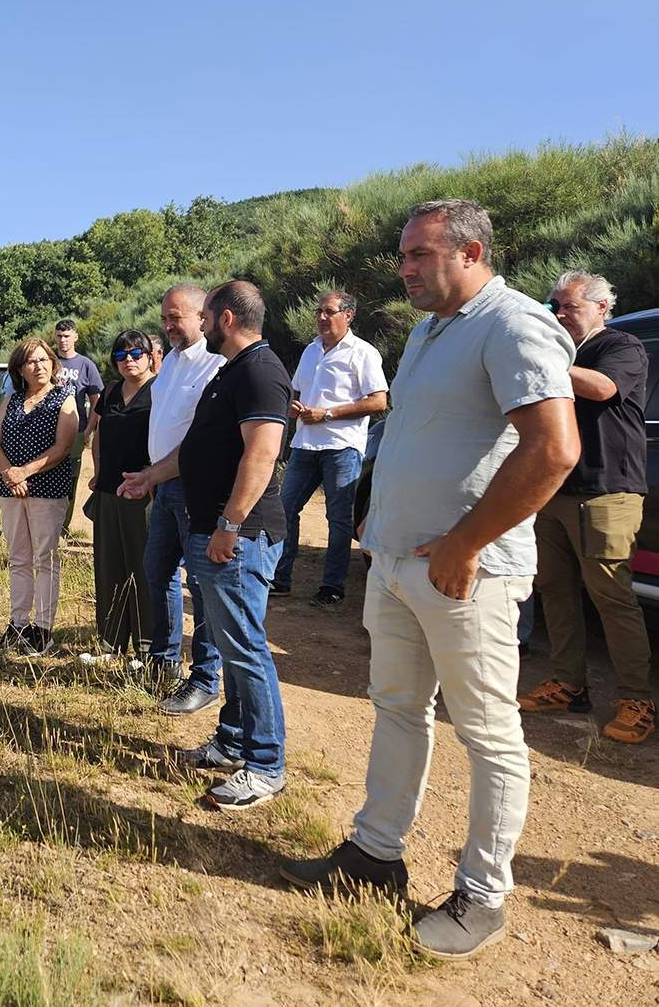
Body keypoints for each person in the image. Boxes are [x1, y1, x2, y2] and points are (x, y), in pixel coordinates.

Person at [280, 200, 578, 962]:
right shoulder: (426, 331)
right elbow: (419, 437)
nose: (404, 268)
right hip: (401, 563)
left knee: (488, 734)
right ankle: (375, 853)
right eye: (402, 255)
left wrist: (466, 542)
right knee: (398, 709)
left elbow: (553, 450)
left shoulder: (512, 323)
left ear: (471, 251)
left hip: (468, 573)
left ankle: (483, 894)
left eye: (418, 255)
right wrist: (377, 532)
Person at [119, 280, 291, 811]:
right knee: (233, 644)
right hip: (210, 526)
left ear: (225, 320)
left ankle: (265, 765)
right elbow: (192, 452)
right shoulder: (231, 373)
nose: (192, 327)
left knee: (244, 649)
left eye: (206, 317)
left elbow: (260, 457)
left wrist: (231, 524)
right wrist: (151, 477)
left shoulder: (260, 372)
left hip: (240, 534)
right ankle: (232, 741)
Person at [519, 271, 653, 743]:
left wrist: (545, 358)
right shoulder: (565, 352)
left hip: (606, 491)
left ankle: (637, 699)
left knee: (611, 598)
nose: (557, 313)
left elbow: (601, 389)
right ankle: (568, 684)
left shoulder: (622, 346)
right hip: (554, 489)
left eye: (568, 306)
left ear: (600, 308)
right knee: (554, 589)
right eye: (553, 305)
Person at [121, 285, 225, 712]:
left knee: (200, 585)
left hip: (195, 488)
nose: (166, 325)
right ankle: (163, 661)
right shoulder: (172, 365)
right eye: (164, 318)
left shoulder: (216, 365)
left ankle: (205, 677)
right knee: (157, 571)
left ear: (204, 317)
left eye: (175, 318)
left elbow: (204, 440)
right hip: (163, 486)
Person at [272, 291, 388, 606]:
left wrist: (328, 413)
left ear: (348, 315)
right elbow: (297, 389)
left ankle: (332, 587)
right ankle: (280, 579)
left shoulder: (363, 353)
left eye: (329, 311)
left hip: (342, 447)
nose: (322, 317)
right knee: (284, 509)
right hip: (305, 445)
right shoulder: (311, 351)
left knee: (338, 519)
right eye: (318, 311)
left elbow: (379, 401)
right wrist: (293, 408)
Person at [0, 337, 78, 657]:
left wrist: (24, 472)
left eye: (44, 360)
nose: (38, 366)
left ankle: (42, 629)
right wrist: (9, 475)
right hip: (12, 491)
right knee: (18, 559)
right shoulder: (11, 401)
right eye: (31, 362)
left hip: (47, 490)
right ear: (20, 369)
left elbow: (63, 447)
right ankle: (18, 623)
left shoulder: (64, 397)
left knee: (45, 559)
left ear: (53, 363)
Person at [79, 331, 157, 667]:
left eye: (136, 353)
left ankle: (145, 646)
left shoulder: (161, 389)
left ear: (150, 355)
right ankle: (110, 643)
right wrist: (98, 472)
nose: (129, 360)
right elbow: (96, 435)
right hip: (109, 490)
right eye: (121, 355)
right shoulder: (110, 391)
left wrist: (154, 478)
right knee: (108, 566)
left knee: (142, 568)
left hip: (144, 492)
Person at [52, 319, 104, 527]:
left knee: (70, 478)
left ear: (75, 337)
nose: (62, 340)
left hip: (76, 429)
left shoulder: (86, 365)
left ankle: (63, 527)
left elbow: (96, 401)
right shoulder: (49, 361)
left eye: (66, 336)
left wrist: (89, 428)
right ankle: (48, 524)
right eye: (59, 336)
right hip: (48, 428)